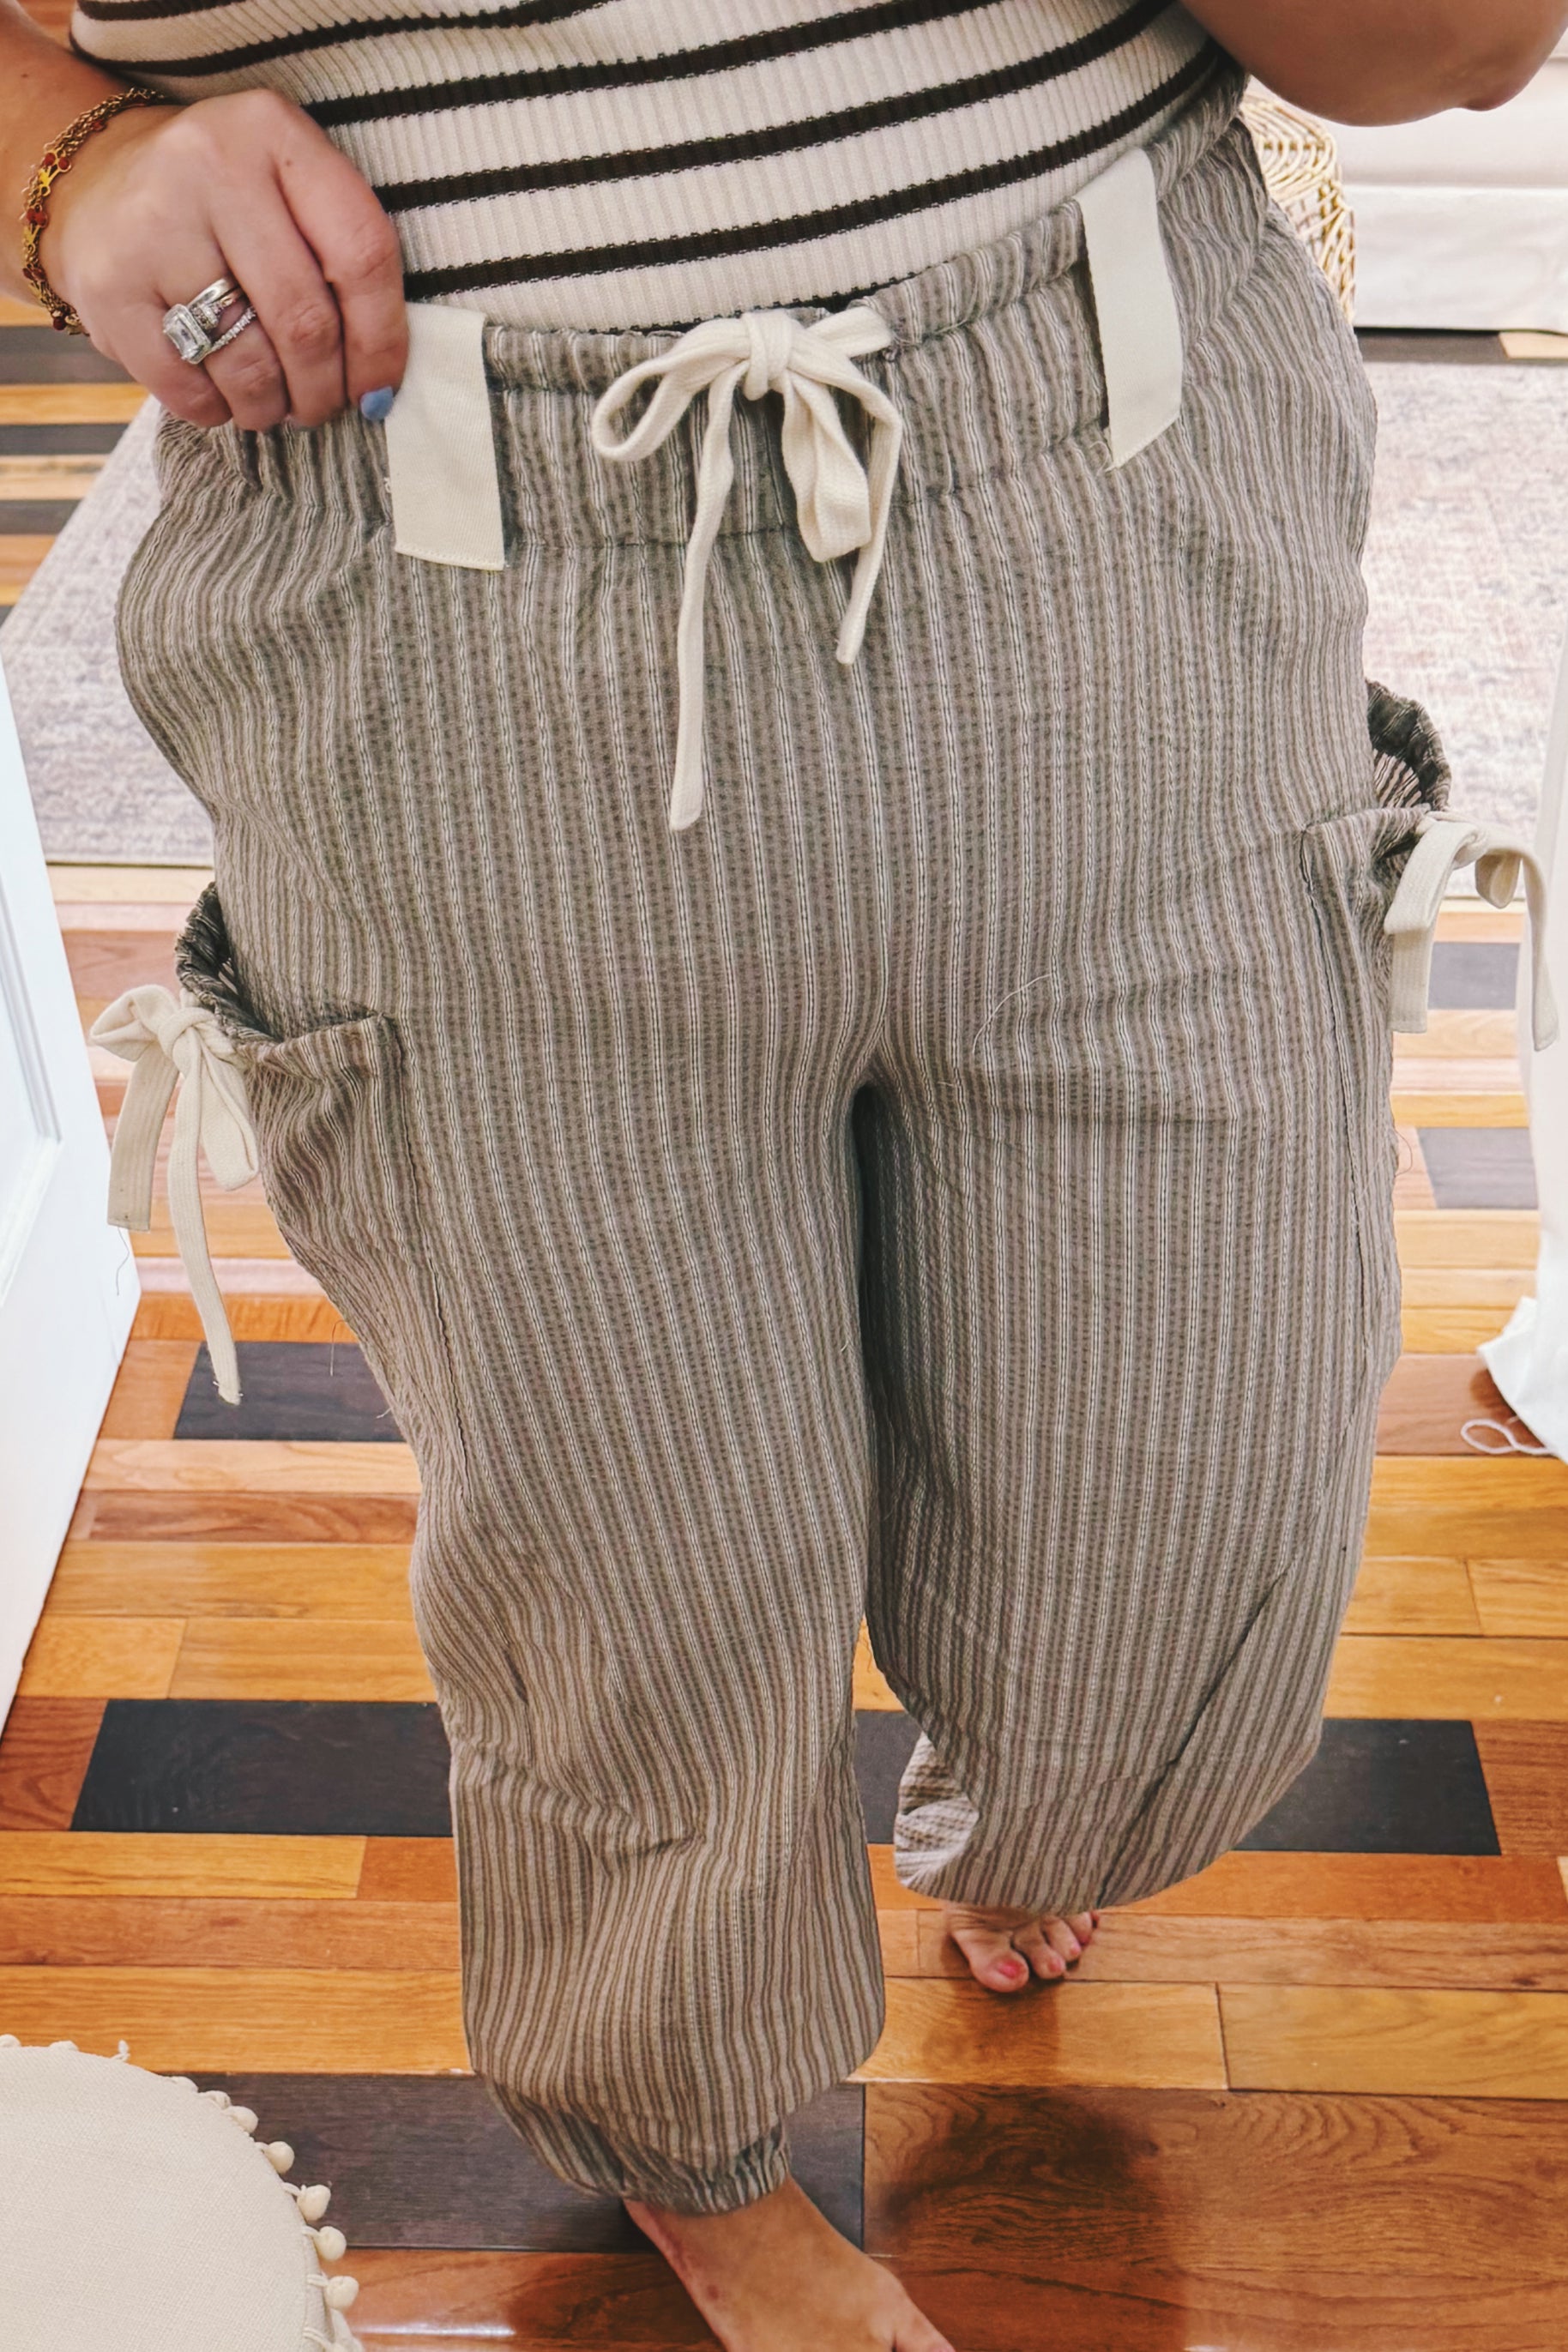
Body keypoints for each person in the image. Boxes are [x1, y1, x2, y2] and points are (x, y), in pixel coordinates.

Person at [5, 4, 1562, 2345]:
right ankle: (699, 2157)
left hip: (1117, 504)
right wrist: (59, 152)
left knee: (1183, 1504)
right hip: (439, 593)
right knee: (625, 1566)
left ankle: (1059, 1811)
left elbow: (1464, 42)